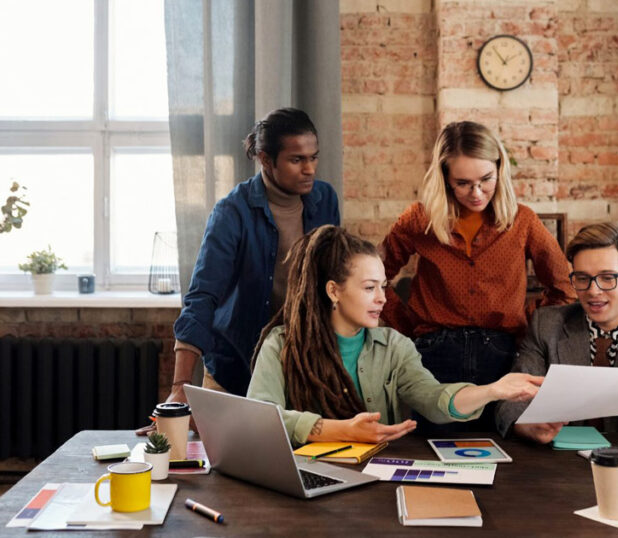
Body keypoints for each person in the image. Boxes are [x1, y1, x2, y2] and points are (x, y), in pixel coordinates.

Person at [247, 225, 544, 445]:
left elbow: (433, 398)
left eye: (383, 286)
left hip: (377, 483)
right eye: (369, 287)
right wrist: (340, 430)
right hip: (305, 480)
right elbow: (260, 419)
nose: (382, 298)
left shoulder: (395, 347)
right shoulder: (281, 345)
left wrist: (493, 390)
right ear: (333, 290)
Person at [380, 121, 576, 432]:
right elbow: (376, 279)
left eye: (486, 179)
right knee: (434, 451)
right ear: (445, 177)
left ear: (500, 168)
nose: (476, 192)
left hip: (500, 357)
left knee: (502, 453)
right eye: (463, 183)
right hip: (433, 356)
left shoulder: (523, 221)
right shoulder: (419, 221)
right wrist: (408, 326)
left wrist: (523, 318)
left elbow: (565, 288)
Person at [158, 108, 340, 416]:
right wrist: (180, 385)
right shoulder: (232, 212)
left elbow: (333, 279)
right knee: (227, 463)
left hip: (303, 370)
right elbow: (203, 296)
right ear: (266, 160)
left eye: (314, 157)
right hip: (235, 369)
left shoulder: (325, 200)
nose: (309, 169)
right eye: (297, 160)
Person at [495, 222, 618, 447]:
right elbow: (510, 402)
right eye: (582, 278)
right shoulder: (547, 325)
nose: (593, 290)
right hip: (558, 466)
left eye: (607, 277)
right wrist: (527, 425)